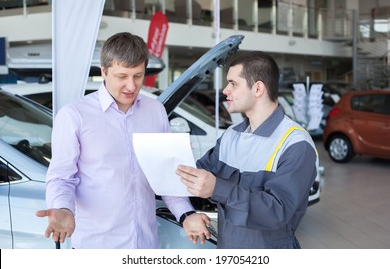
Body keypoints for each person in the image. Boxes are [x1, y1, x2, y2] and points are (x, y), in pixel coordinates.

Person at [36, 32, 210, 249]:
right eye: (122, 76)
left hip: (147, 245)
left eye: (138, 76)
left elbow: (165, 175)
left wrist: (186, 214)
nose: (131, 86)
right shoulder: (74, 116)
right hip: (97, 248)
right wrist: (63, 208)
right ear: (104, 71)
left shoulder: (155, 111)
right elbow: (61, 177)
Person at [176, 51, 319, 249]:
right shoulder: (231, 136)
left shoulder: (295, 143)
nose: (225, 90)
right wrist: (179, 158)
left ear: (258, 88)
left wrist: (217, 188)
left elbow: (278, 211)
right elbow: (195, 175)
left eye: (233, 83)